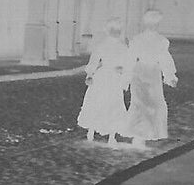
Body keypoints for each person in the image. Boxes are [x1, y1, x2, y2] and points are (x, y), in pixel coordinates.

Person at [127, 9, 179, 148]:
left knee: (153, 104)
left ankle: (148, 132)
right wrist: (125, 78)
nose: (152, 26)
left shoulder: (161, 41)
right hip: (139, 73)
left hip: (153, 74)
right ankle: (138, 136)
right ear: (146, 23)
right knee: (139, 103)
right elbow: (130, 58)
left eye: (155, 24)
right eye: (150, 23)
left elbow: (165, 59)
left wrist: (170, 76)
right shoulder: (137, 40)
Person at [77, 17, 132, 145]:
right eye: (113, 30)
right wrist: (90, 74)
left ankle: (106, 134)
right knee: (102, 102)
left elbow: (127, 64)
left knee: (110, 103)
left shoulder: (120, 47)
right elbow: (94, 61)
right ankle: (95, 131)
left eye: (117, 30)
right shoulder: (109, 46)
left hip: (109, 77)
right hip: (106, 77)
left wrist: (123, 74)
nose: (115, 32)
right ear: (108, 31)